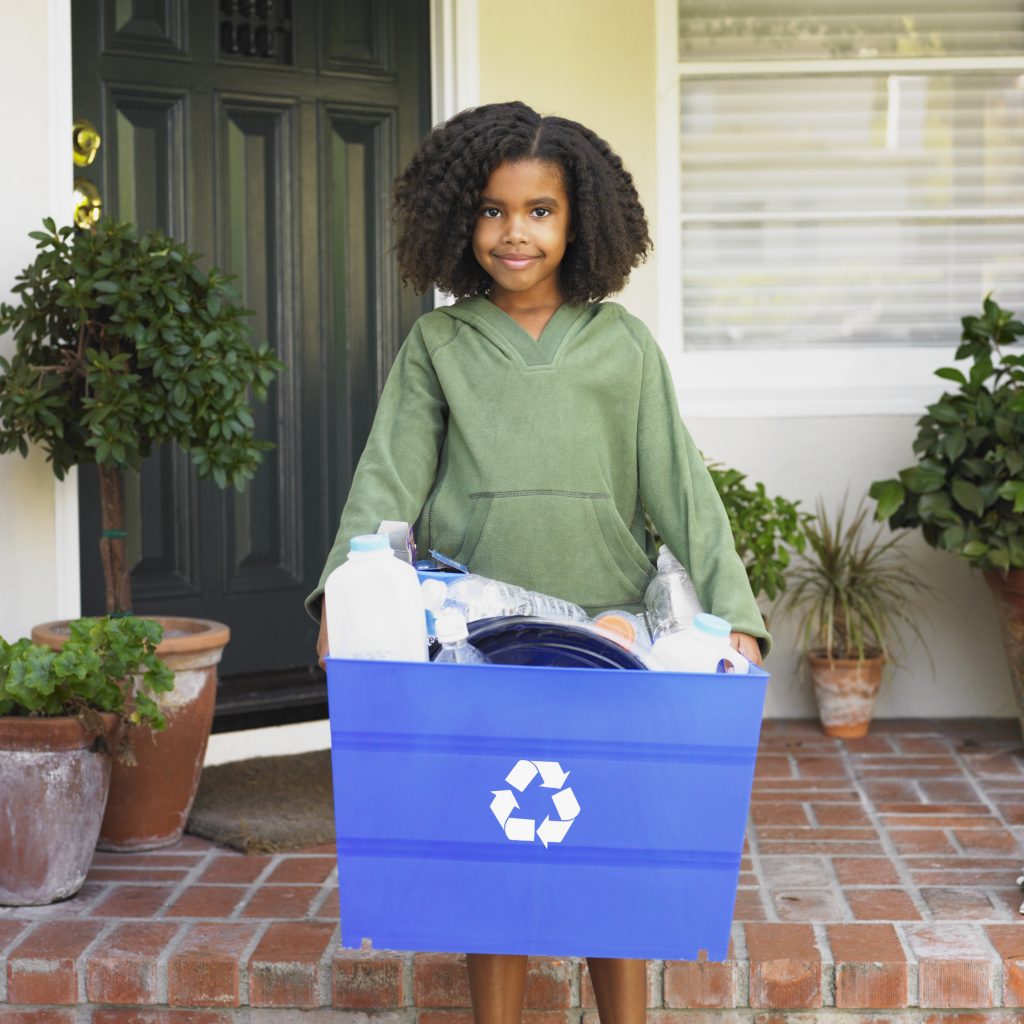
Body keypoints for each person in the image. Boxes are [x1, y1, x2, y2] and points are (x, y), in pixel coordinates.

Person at [307, 100, 769, 1024]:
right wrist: (340, 599)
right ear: (459, 221)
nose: (513, 233)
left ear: (579, 221)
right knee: (499, 852)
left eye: (540, 211)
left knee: (613, 855)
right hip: (483, 644)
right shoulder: (440, 344)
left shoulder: (621, 346)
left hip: (610, 636)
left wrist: (738, 615)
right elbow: (387, 480)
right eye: (491, 210)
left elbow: (680, 486)